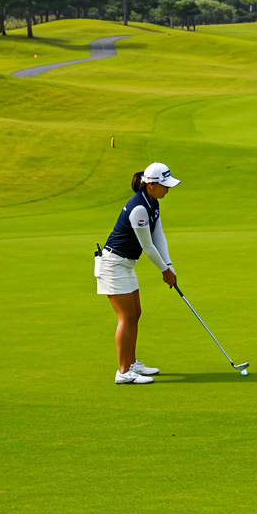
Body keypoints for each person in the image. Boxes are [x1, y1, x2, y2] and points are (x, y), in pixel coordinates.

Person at [95, 162, 180, 384]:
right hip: (113, 265)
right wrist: (164, 271)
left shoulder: (153, 203)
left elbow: (158, 235)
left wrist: (169, 265)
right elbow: (148, 245)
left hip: (125, 265)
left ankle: (131, 363)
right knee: (126, 317)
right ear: (151, 185)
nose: (168, 189)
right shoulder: (139, 208)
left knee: (136, 313)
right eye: (164, 185)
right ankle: (123, 372)